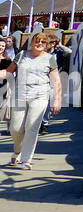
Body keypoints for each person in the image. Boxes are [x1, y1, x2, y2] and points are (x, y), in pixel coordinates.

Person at [6, 31, 61, 169]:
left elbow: (56, 81)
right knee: (16, 129)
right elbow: (8, 72)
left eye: (43, 42)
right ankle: (18, 150)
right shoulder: (22, 55)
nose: (40, 44)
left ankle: (26, 160)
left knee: (32, 127)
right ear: (31, 42)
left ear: (47, 44)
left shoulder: (50, 58)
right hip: (20, 95)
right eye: (37, 41)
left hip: (40, 96)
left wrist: (57, 100)